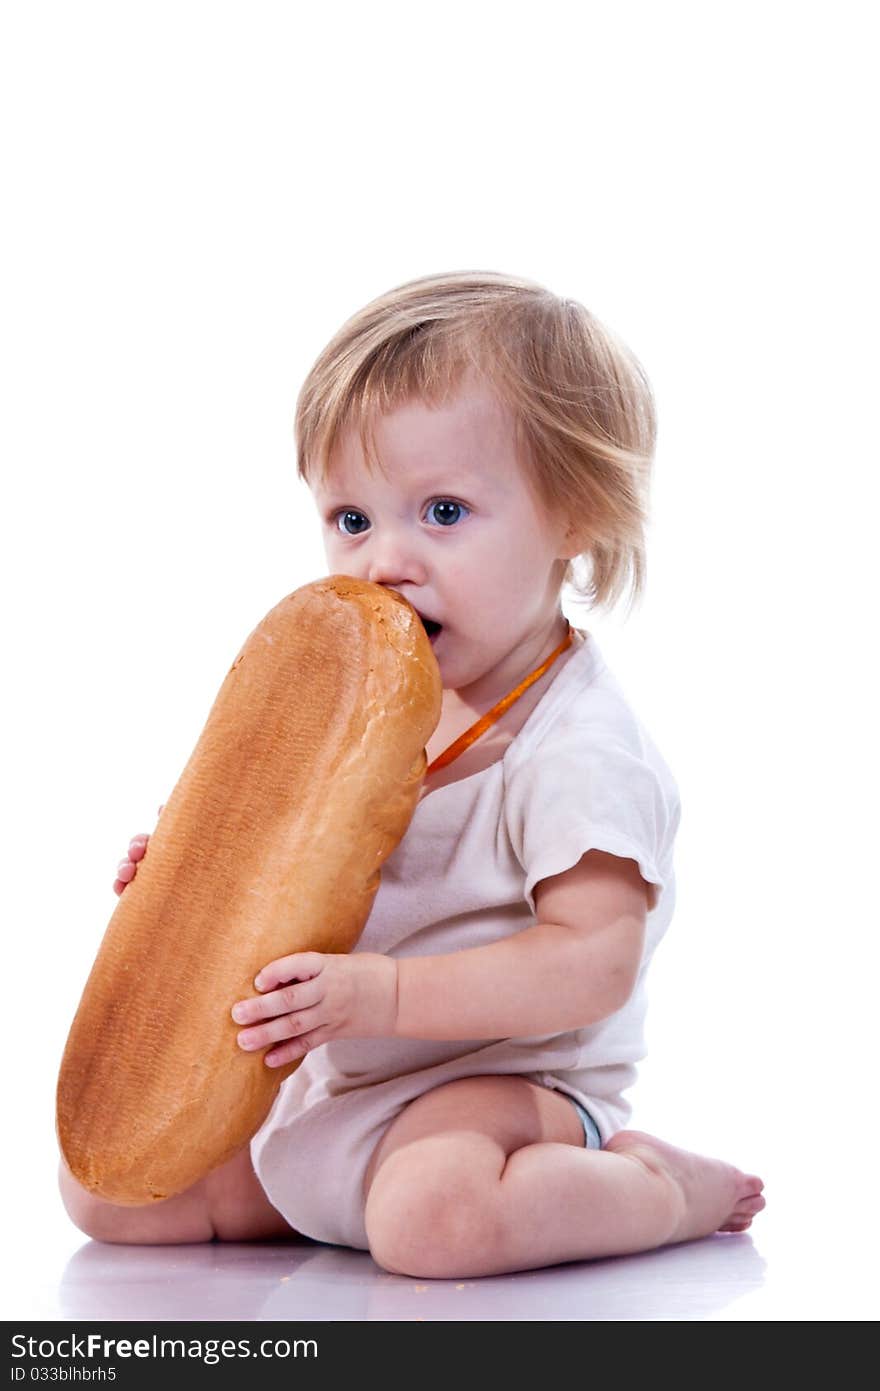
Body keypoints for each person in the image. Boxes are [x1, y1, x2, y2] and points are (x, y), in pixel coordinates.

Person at [59, 270, 765, 1278]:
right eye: (351, 519)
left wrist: (382, 996)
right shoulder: (351, 717)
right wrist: (189, 874)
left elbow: (593, 961)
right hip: (344, 1087)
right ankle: (337, 1196)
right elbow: (295, 873)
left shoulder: (577, 748)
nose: (385, 559)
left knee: (434, 1222)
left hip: (503, 1086)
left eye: (441, 510)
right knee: (113, 1191)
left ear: (575, 518)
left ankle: (659, 1187)